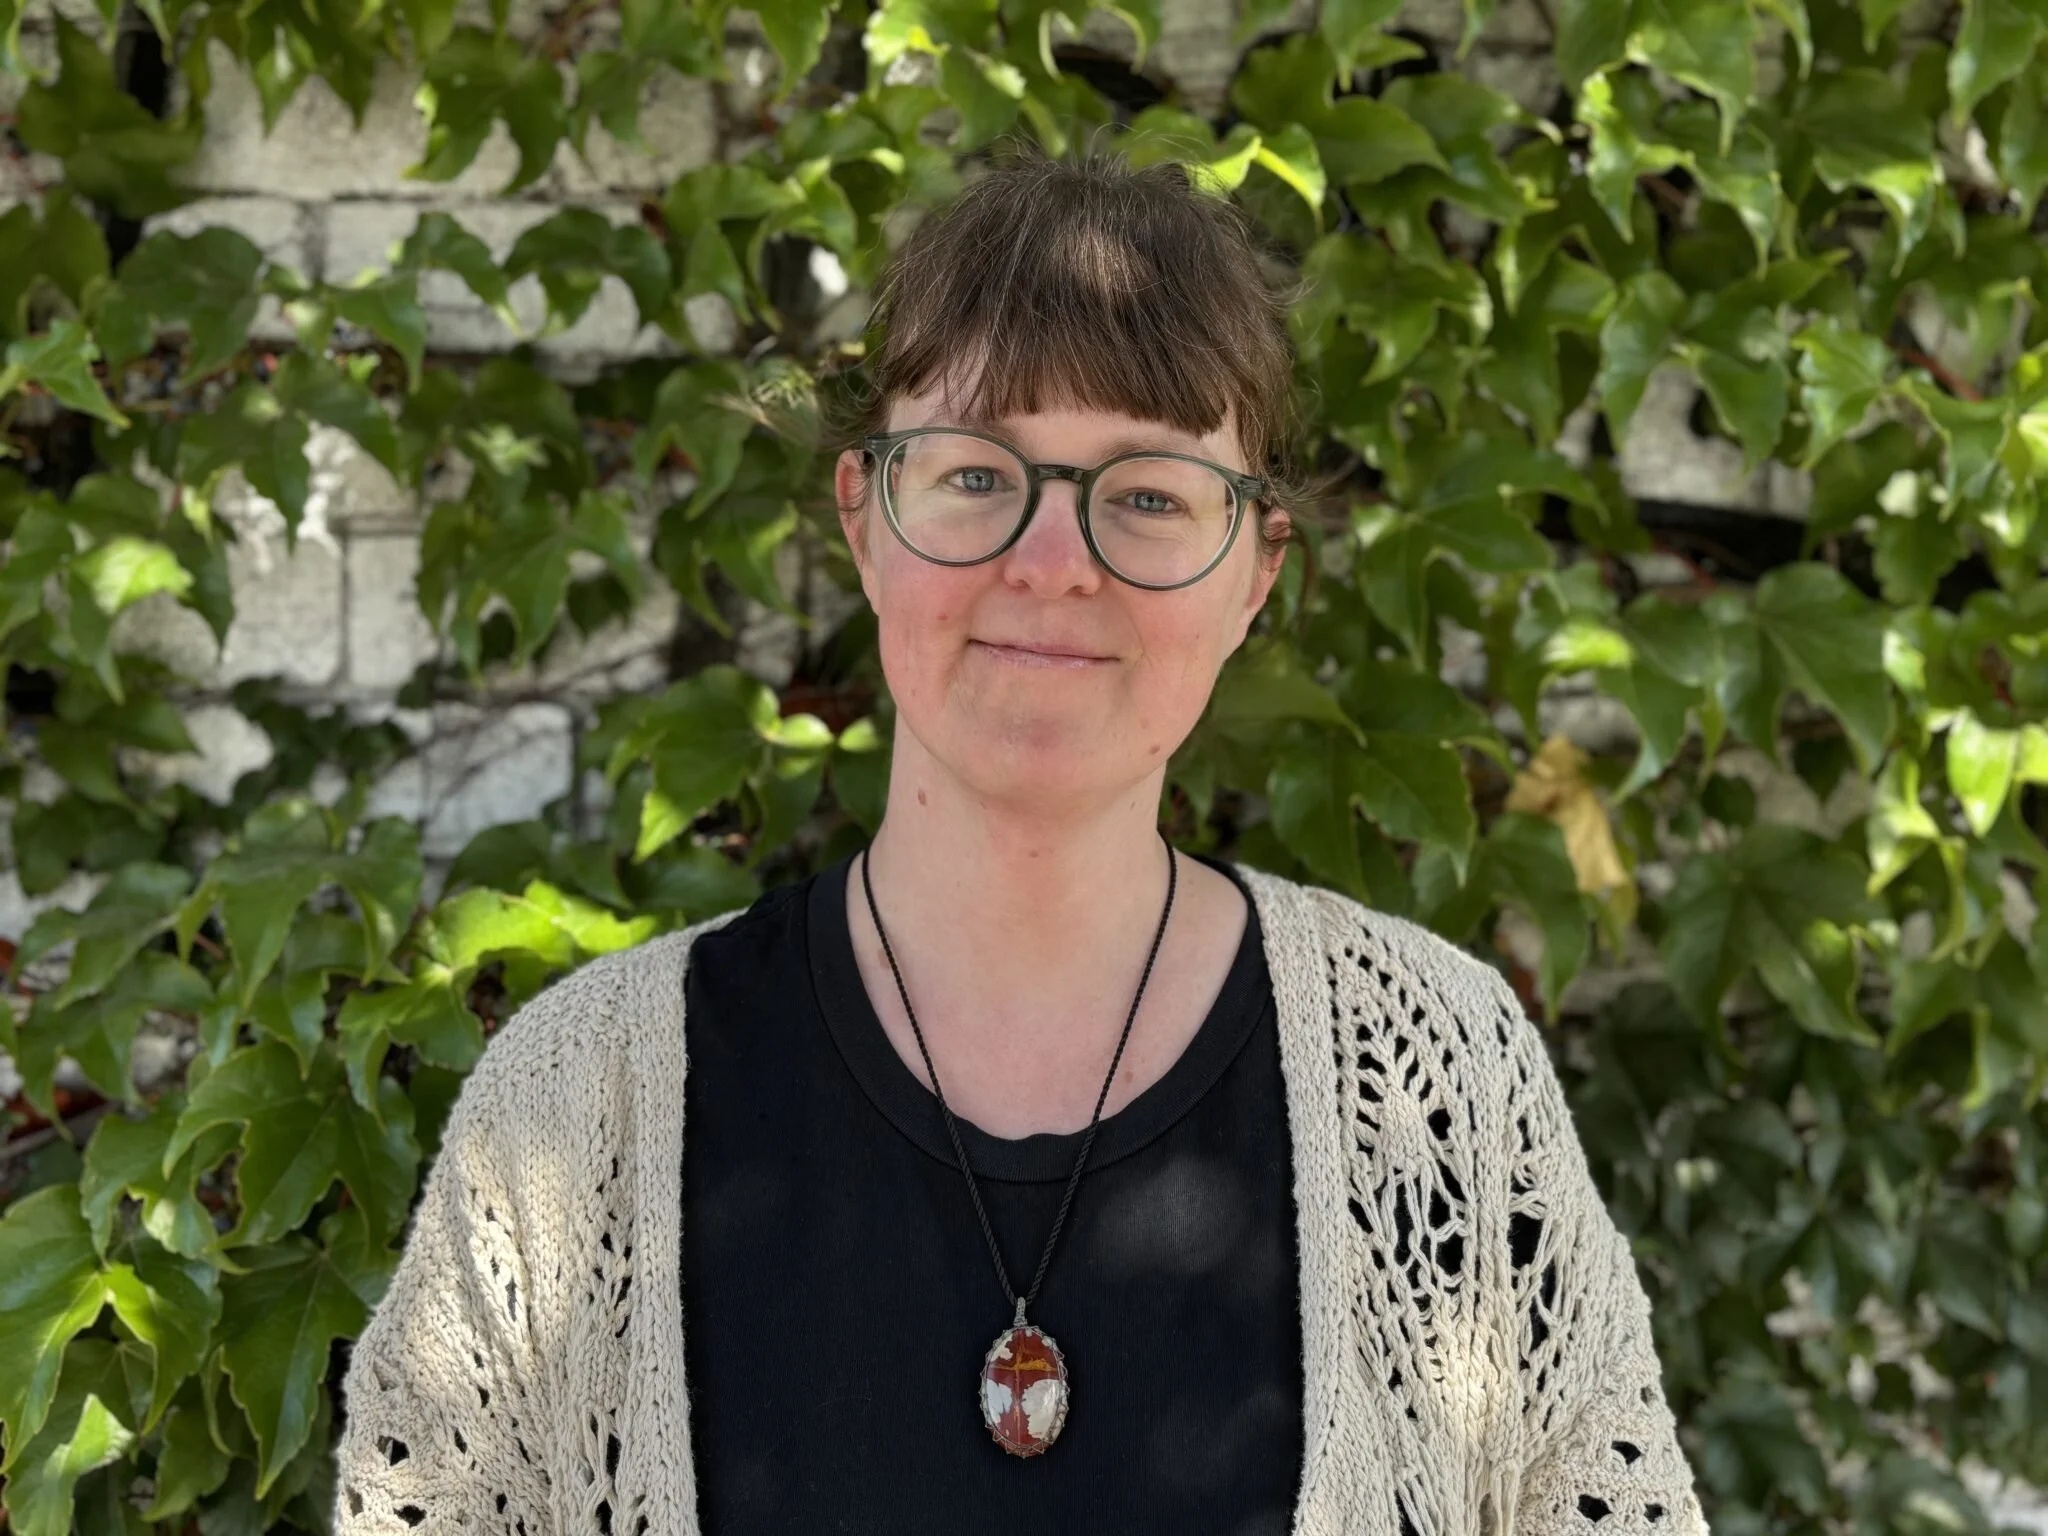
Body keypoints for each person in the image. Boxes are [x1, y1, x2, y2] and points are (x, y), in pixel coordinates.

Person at [333, 143, 1707, 1535]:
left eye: (1151, 494)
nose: (1053, 566)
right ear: (866, 521)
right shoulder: (575, 1115)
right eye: (979, 475)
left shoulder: (1439, 1091)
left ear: (1256, 576)